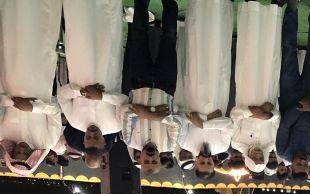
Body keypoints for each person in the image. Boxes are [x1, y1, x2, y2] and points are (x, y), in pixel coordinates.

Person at [164, 0, 234, 179]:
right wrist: (203, 123)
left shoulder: (185, 142)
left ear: (196, 163)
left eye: (202, 163)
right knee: (219, 51)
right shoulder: (222, 146)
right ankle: (222, 6)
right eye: (209, 164)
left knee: (197, 47)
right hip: (218, 93)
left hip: (194, 92)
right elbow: (228, 124)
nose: (206, 160)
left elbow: (180, 118)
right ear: (213, 164)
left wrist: (209, 120)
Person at [60, 0, 126, 168]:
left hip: (80, 66)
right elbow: (124, 101)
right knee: (108, 28)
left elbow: (61, 96)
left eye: (88, 138)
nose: (91, 134)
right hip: (108, 68)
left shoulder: (75, 122)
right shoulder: (115, 125)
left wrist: (80, 92)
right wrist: (102, 96)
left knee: (79, 26)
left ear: (83, 140)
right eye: (96, 138)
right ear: (104, 141)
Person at [0, 0, 64, 175]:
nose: (21, 149)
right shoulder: (48, 140)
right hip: (39, 78)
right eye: (25, 154)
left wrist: (11, 102)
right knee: (41, 34)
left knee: (13, 31)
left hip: (11, 73)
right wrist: (33, 108)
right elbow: (55, 111)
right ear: (32, 156)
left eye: (17, 153)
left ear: (10, 154)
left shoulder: (2, 133)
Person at [118, 0, 179, 176]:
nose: (150, 157)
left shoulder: (129, 140)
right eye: (154, 161)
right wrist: (144, 113)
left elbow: (126, 112)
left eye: (146, 161)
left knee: (139, 36)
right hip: (165, 85)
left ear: (140, 159)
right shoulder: (169, 144)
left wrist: (153, 115)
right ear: (160, 159)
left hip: (139, 82)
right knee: (169, 38)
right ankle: (170, 4)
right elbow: (176, 123)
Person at [276, 1, 310, 179]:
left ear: (291, 168)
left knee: (289, 50)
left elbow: (284, 125)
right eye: (306, 165)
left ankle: (291, 10)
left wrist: (299, 108)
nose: (303, 162)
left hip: (289, 94)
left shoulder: (282, 151)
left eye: (299, 165)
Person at [231, 1, 282, 176]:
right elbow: (277, 119)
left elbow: (235, 115)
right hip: (268, 94)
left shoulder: (236, 142)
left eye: (255, 159)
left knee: (249, 54)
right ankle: (275, 9)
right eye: (261, 159)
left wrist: (256, 113)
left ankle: (250, 8)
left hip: (247, 92)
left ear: (248, 159)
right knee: (270, 58)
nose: (258, 155)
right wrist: (268, 115)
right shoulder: (272, 143)